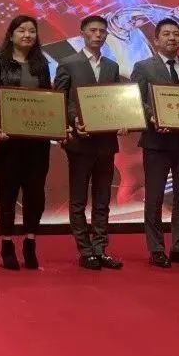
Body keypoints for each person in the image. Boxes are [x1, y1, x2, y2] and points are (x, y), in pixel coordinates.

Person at [130, 18, 179, 268]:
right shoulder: (143, 67)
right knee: (154, 197)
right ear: (156, 39)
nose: (172, 38)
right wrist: (153, 117)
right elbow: (135, 100)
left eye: (176, 34)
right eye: (166, 34)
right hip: (156, 142)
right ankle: (156, 249)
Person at [54, 15, 125, 271]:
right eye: (93, 30)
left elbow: (115, 101)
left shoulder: (111, 66)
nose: (98, 35)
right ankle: (85, 250)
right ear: (82, 33)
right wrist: (74, 119)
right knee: (78, 199)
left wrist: (124, 119)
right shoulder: (68, 63)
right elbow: (59, 99)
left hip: (106, 142)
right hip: (80, 142)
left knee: (103, 199)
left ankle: (100, 249)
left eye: (102, 31)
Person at [0, 15, 54, 271]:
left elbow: (48, 98)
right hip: (9, 141)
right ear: (11, 34)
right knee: (7, 192)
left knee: (35, 192)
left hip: (37, 141)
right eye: (21, 30)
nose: (27, 35)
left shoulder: (41, 63)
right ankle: (6, 244)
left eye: (31, 31)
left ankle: (30, 242)